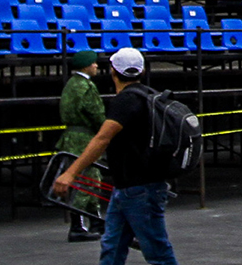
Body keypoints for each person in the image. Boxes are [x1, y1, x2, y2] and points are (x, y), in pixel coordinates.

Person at [51, 49, 179, 265]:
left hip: (137, 188)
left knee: (156, 251)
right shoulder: (149, 95)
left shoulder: (125, 101)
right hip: (131, 186)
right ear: (142, 70)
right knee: (113, 246)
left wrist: (70, 173)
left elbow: (102, 139)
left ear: (113, 71)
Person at [56, 48, 109, 241]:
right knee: (89, 180)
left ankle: (95, 221)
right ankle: (77, 224)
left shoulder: (71, 84)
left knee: (87, 178)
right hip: (85, 138)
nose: (96, 66)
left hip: (71, 137)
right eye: (93, 63)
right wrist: (105, 130)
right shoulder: (86, 87)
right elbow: (95, 113)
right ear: (86, 66)